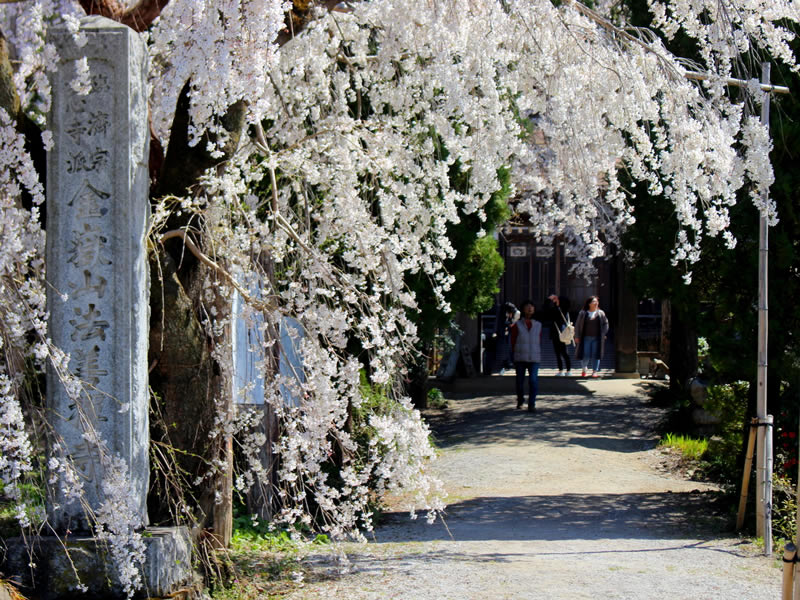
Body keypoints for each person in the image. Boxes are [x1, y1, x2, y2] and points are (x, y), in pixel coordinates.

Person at [510, 300, 542, 412]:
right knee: (519, 381)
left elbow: (539, 339)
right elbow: (513, 341)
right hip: (520, 357)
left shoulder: (538, 325)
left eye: (531, 307)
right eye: (527, 306)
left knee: (533, 380)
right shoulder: (517, 325)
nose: (529, 308)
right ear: (523, 309)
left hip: (534, 357)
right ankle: (520, 400)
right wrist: (513, 354)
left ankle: (532, 403)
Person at [574, 295, 610, 378]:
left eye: (597, 301)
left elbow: (606, 323)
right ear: (589, 303)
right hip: (585, 337)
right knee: (585, 354)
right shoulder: (583, 313)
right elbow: (578, 325)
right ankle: (584, 368)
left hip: (597, 338)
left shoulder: (601, 313)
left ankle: (595, 371)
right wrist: (576, 336)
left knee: (596, 354)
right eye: (594, 301)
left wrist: (603, 333)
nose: (596, 303)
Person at [542, 294, 572, 376]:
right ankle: (565, 370)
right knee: (560, 352)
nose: (555, 300)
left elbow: (546, 309)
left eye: (557, 299)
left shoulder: (559, 310)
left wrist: (549, 299)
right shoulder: (561, 309)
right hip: (559, 333)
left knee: (562, 352)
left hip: (560, 333)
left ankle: (565, 370)